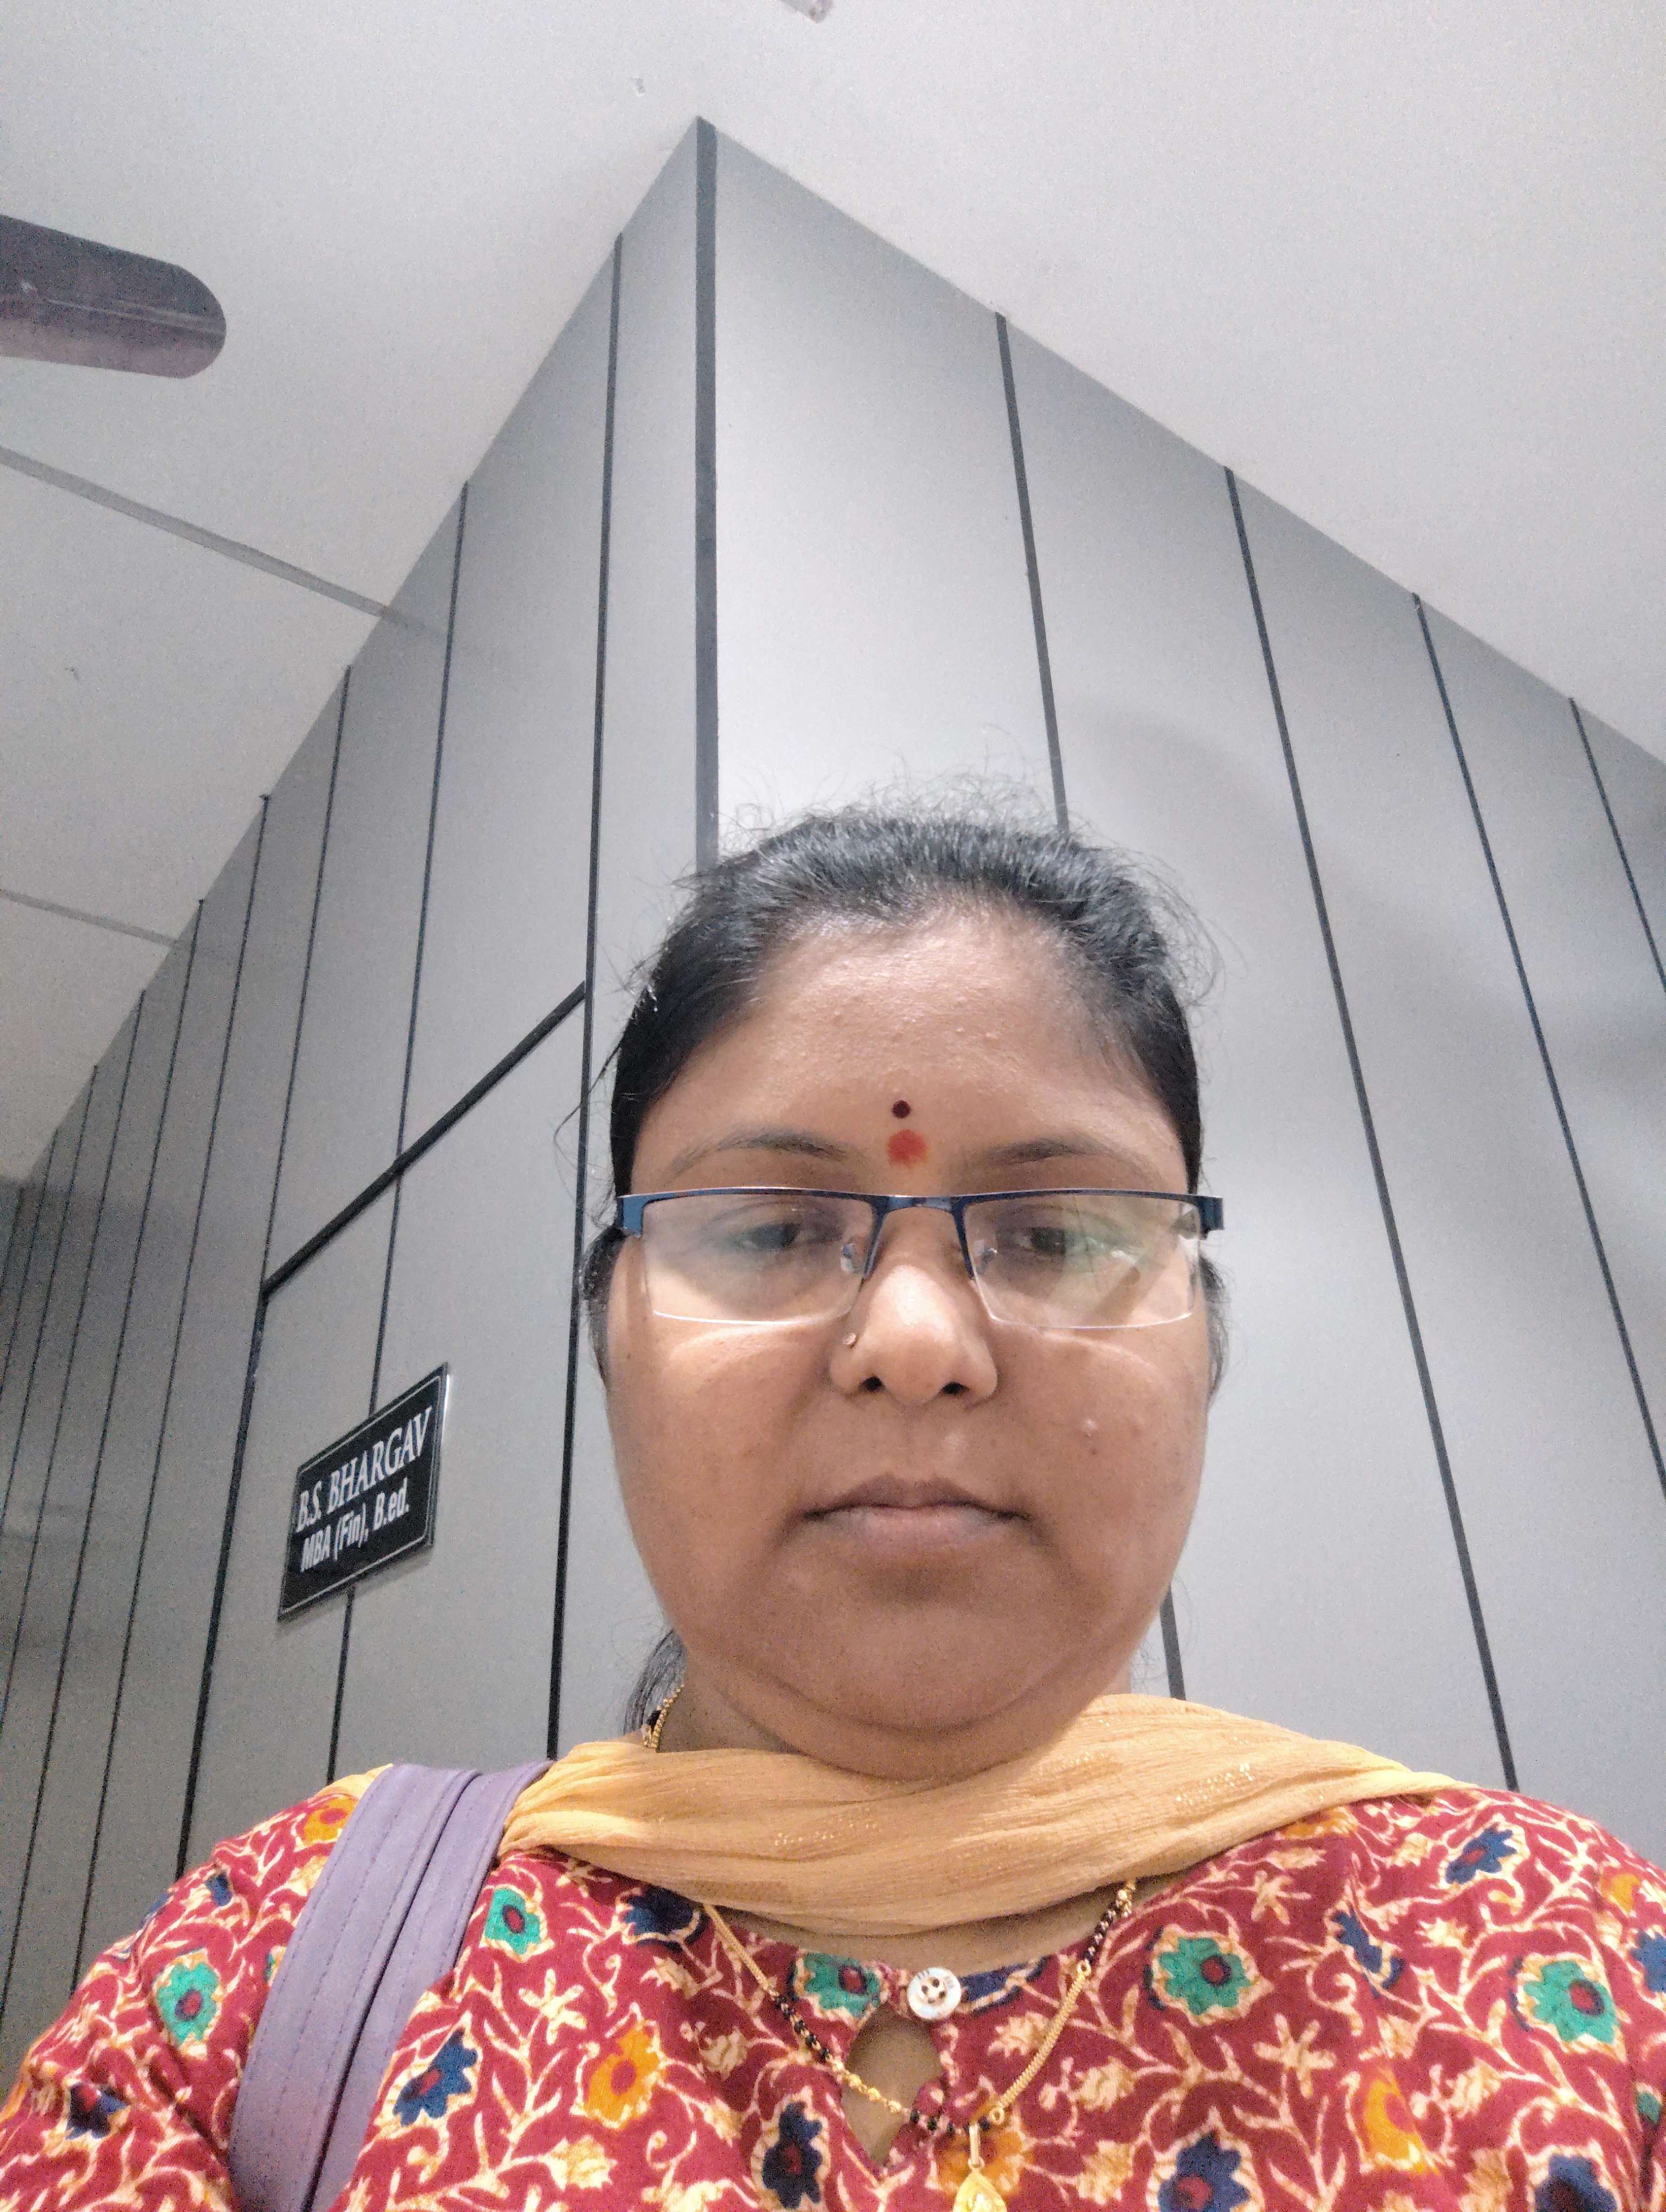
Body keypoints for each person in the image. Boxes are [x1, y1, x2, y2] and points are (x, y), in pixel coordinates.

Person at [2, 807, 1663, 2211]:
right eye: (769, 1230)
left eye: (1057, 1233)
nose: (916, 1341)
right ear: (609, 1342)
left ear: (1204, 1340)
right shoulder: (272, 1978)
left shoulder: (1562, 1964)